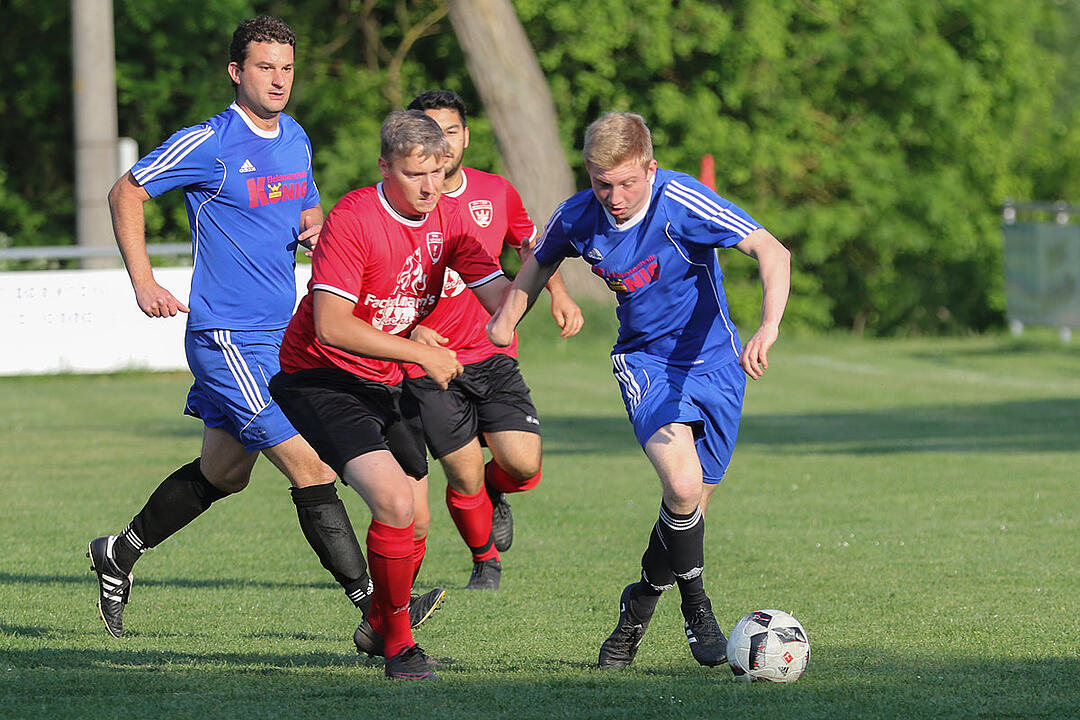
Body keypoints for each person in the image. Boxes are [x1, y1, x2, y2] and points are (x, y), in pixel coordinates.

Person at [87, 16, 443, 643]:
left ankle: (118, 553)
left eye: (286, 67)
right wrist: (143, 281)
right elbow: (125, 191)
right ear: (236, 72)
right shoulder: (210, 141)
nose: (279, 79)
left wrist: (313, 222)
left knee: (225, 471)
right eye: (264, 67)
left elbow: (306, 202)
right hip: (226, 337)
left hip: (283, 341)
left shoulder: (297, 137)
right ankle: (377, 611)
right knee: (312, 466)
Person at [487, 112, 791, 669]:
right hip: (644, 362)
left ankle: (637, 608)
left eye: (627, 182)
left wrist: (767, 326)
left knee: (690, 505)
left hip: (717, 366)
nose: (615, 196)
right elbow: (539, 261)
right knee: (681, 483)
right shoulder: (580, 215)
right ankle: (698, 609)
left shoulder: (681, 201)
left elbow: (774, 252)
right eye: (603, 183)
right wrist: (508, 316)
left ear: (650, 168)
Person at [269, 109, 511, 680]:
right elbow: (331, 324)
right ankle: (399, 647)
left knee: (417, 522)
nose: (429, 187)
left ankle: (379, 624)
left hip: (383, 378)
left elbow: (497, 288)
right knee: (395, 503)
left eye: (438, 172)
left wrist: (548, 288)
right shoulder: (354, 217)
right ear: (385, 167)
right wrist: (422, 351)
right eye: (413, 175)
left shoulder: (449, 219)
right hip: (321, 374)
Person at [402, 90, 584, 590]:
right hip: (429, 363)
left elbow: (532, 248)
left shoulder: (496, 192)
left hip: (491, 353)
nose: (443, 141)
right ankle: (486, 562)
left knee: (522, 466)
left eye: (451, 130)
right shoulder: (404, 197)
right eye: (430, 130)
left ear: (466, 135)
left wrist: (560, 295)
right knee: (463, 475)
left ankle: (496, 494)